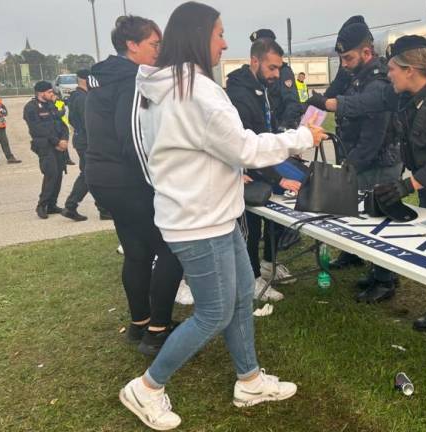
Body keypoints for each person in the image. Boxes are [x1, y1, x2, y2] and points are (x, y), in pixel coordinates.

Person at [119, 3, 326, 429]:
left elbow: (196, 151)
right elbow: (245, 148)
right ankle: (147, 388)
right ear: (198, 36)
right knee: (213, 313)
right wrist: (303, 136)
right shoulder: (196, 90)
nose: (226, 43)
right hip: (199, 221)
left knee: (237, 300)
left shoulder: (169, 85)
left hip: (212, 212)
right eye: (219, 34)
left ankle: (249, 380)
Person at [315, 35, 426, 360]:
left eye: (392, 68)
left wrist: (406, 186)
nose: (387, 73)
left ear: (410, 70)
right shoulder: (409, 99)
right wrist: (329, 103)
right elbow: (371, 103)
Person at [85, 15, 184, 356]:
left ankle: (139, 322)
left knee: (137, 251)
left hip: (102, 176)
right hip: (127, 179)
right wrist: (162, 184)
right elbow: (134, 142)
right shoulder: (130, 81)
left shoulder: (101, 79)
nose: (159, 51)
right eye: (154, 45)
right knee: (172, 247)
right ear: (132, 45)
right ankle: (158, 330)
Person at [311, 15, 403, 303]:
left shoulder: (377, 81)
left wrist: (350, 167)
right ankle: (365, 263)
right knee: (362, 216)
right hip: (362, 159)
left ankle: (385, 279)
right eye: (342, 59)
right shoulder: (355, 75)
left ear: (367, 52)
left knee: (380, 222)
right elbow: (336, 91)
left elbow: (373, 136)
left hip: (378, 162)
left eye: (349, 57)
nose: (345, 64)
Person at [225, 33, 301, 301]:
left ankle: (269, 264)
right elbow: (249, 146)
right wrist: (277, 179)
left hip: (263, 165)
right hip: (245, 171)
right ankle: (253, 278)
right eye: (272, 67)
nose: (276, 74)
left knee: (269, 219)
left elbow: (265, 135)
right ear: (254, 60)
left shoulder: (261, 88)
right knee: (251, 227)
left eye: (279, 68)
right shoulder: (239, 94)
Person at [61, 69, 110, 221]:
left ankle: (103, 209)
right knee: (89, 175)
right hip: (88, 141)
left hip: (83, 140)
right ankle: (71, 206)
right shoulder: (82, 98)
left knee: (94, 175)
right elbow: (88, 122)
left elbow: (72, 121)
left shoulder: (77, 96)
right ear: (85, 79)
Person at [23, 81, 69, 219]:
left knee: (59, 174)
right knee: (51, 173)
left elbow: (62, 121)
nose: (52, 94)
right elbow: (37, 129)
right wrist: (56, 142)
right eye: (49, 92)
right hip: (45, 145)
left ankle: (52, 205)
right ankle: (42, 205)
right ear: (41, 93)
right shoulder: (31, 108)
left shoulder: (53, 104)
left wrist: (65, 139)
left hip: (60, 144)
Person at [252, 29, 303, 130]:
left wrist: (283, 127)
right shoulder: (256, 74)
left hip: (279, 128)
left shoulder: (283, 71)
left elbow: (292, 103)